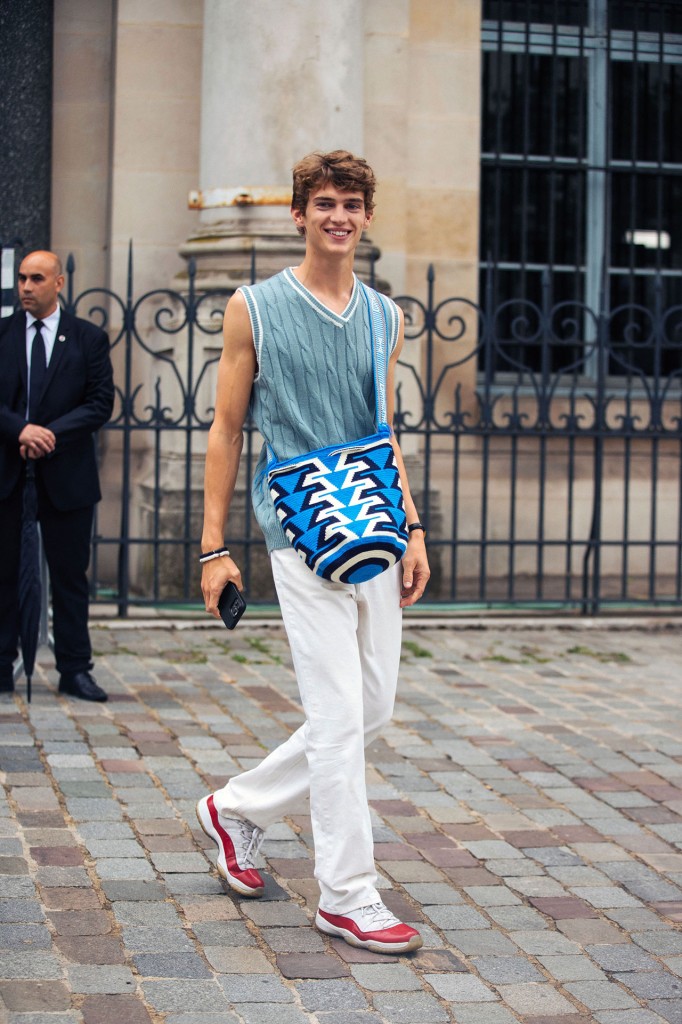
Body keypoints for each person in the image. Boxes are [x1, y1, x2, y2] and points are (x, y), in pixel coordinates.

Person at [197, 151, 430, 954]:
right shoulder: (253, 308)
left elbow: (384, 428)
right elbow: (226, 429)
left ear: (367, 217)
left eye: (352, 203)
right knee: (336, 715)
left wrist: (415, 527)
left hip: (376, 524)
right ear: (298, 215)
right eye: (324, 202)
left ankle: (234, 810)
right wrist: (212, 549)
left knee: (373, 710)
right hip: (297, 527)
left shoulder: (384, 317)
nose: (339, 215)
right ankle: (347, 895)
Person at [0, 250, 114, 701]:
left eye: (36, 279)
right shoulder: (3, 334)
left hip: (67, 475)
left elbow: (100, 403)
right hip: (8, 471)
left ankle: (73, 669)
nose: (26, 287)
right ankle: (2, 664)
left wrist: (48, 434)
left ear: (59, 284)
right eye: (22, 279)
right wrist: (19, 430)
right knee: (4, 573)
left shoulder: (87, 339)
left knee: (70, 577)